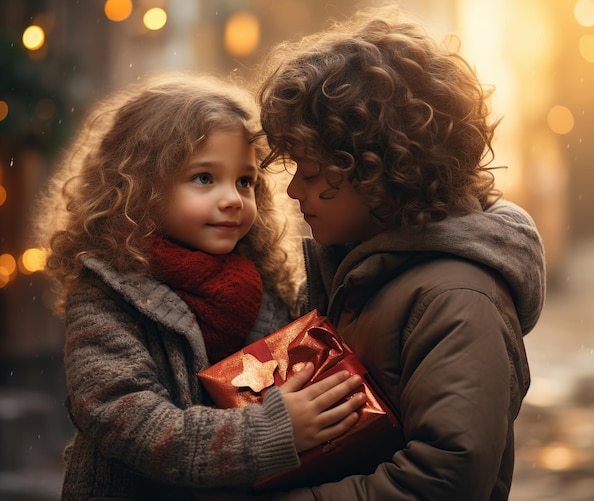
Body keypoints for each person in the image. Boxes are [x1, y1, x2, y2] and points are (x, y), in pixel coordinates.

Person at [254, 5, 546, 500]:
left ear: (377, 170)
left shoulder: (456, 297)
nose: (292, 193)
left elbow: (444, 479)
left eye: (309, 172)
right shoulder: (359, 268)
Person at [33, 72, 367, 500]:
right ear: (140, 187)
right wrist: (271, 430)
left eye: (245, 181)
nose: (232, 198)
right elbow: (128, 422)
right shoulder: (105, 293)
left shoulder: (264, 281)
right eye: (204, 178)